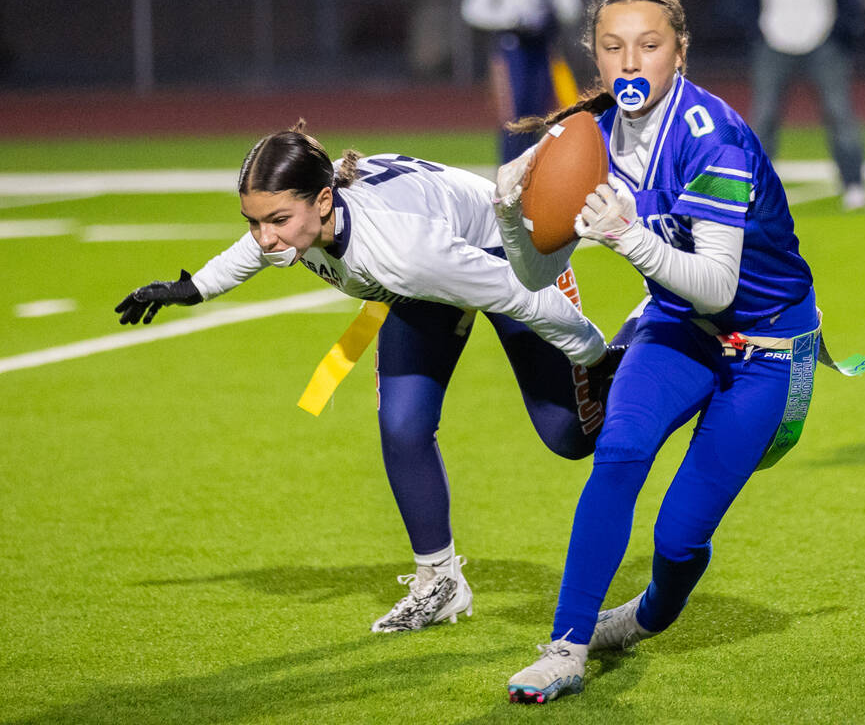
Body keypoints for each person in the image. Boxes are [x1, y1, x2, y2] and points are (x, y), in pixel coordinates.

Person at [493, 0, 865, 703]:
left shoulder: (714, 136)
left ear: (680, 53)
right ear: (595, 59)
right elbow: (539, 267)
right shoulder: (585, 135)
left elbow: (720, 287)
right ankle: (567, 645)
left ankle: (646, 617)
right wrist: (513, 210)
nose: (630, 62)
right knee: (621, 451)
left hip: (765, 350)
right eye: (613, 47)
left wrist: (631, 239)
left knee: (676, 540)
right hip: (675, 328)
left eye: (649, 45)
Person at [114, 123, 626, 636]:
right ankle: (439, 582)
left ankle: (644, 347)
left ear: (321, 200)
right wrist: (195, 288)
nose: (265, 237)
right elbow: (261, 242)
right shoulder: (309, 213)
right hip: (421, 277)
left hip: (506, 259)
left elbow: (525, 298)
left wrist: (597, 355)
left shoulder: (401, 250)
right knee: (402, 425)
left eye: (276, 220)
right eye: (254, 221)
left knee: (570, 437)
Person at [747, 0, 865, 211]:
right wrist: (753, 26)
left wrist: (842, 30)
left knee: (839, 113)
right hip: (772, 36)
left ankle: (854, 183)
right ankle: (755, 190)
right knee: (764, 117)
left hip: (823, 36)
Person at [461, 0, 583, 164]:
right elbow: (473, 9)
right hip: (512, 46)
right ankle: (509, 167)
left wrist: (553, 1)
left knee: (539, 113)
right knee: (513, 113)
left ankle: (532, 168)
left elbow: (571, 9)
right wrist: (510, 19)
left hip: (543, 46)